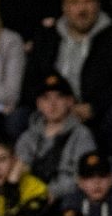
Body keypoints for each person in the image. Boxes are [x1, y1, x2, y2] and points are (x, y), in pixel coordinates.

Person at [22, 0, 112, 159]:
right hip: (50, 111)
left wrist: (92, 107)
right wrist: (53, 107)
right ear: (64, 7)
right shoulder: (46, 37)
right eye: (74, 2)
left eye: (88, 1)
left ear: (97, 4)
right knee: (18, 117)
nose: (82, 9)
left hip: (97, 112)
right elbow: (30, 83)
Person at [15, 73, 98, 201]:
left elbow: (84, 175)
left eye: (59, 97)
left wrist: (51, 192)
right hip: (31, 198)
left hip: (66, 199)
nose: (52, 104)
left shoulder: (82, 135)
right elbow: (19, 170)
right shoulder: (28, 137)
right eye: (46, 98)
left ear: (70, 102)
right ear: (38, 104)